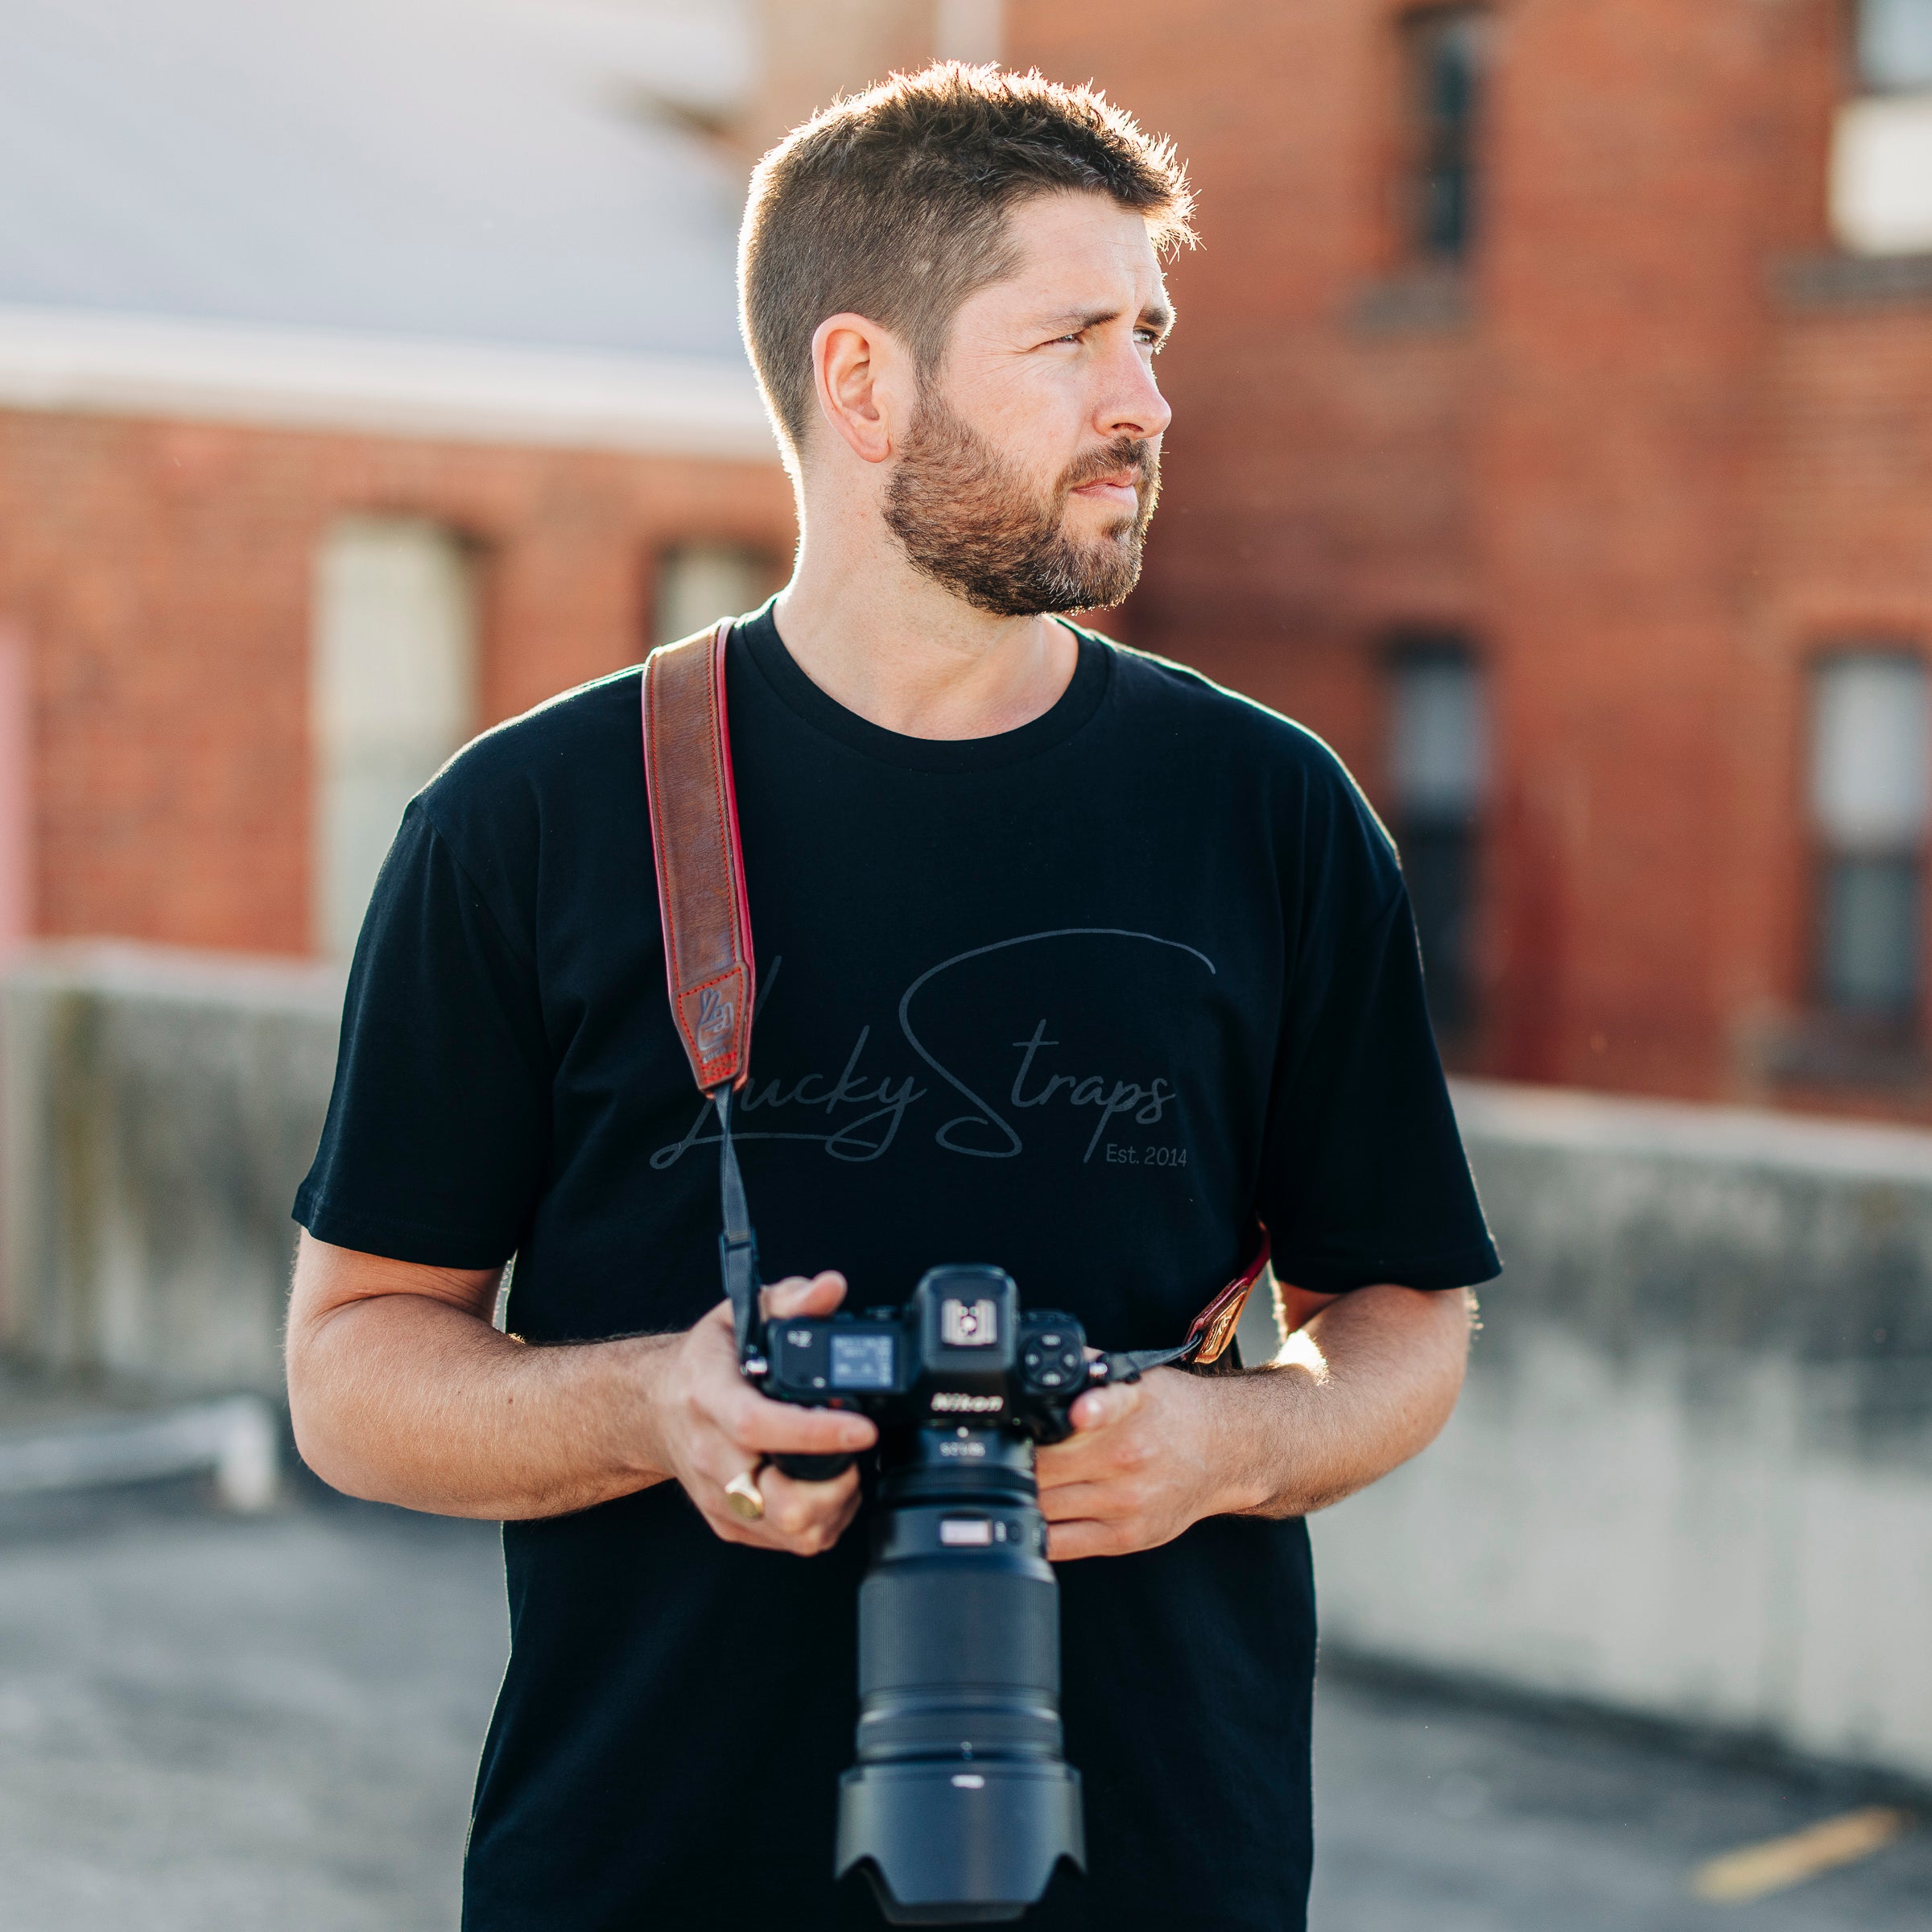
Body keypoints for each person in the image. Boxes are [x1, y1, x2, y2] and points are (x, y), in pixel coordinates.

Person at [286, 63, 1499, 1932]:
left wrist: (1238, 1440)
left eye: (1152, 336)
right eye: (1074, 337)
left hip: (1164, 1866)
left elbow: (1405, 1307)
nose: (1147, 402)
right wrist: (656, 1411)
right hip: (652, 1869)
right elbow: (353, 1370)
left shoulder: (1272, 813)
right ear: (864, 381)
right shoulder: (525, 826)